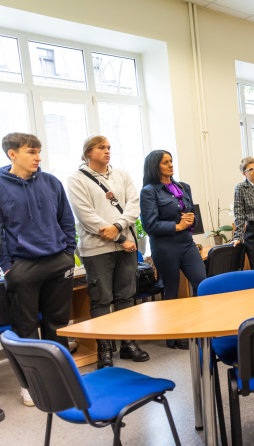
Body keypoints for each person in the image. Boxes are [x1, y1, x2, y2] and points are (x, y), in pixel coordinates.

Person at [0, 132, 76, 406]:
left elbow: (66, 219)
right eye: (31, 152)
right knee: (26, 330)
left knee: (58, 326)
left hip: (58, 262)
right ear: (12, 154)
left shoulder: (51, 182)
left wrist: (69, 253)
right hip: (22, 267)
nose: (38, 157)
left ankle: (62, 379)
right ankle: (31, 385)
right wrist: (8, 267)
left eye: (39, 151)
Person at [67, 135, 149, 369]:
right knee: (101, 299)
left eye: (109, 147)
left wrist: (119, 227)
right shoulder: (76, 179)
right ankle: (104, 350)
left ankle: (128, 344)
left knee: (126, 296)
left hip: (127, 246)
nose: (107, 151)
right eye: (101, 147)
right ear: (88, 153)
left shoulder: (121, 174)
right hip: (97, 249)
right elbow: (85, 216)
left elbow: (134, 204)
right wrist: (119, 236)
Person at [140, 150, 206, 349]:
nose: (170, 165)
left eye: (171, 161)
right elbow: (149, 225)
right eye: (165, 162)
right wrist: (177, 225)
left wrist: (190, 218)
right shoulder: (149, 191)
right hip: (165, 246)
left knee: (201, 282)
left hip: (186, 243)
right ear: (155, 166)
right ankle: (173, 336)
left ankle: (200, 328)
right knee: (172, 289)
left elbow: (190, 212)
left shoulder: (182, 186)